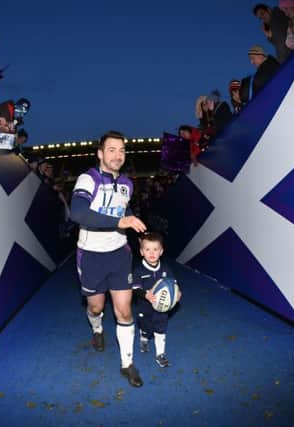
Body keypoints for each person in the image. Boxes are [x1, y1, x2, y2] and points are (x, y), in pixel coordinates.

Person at [70, 130, 148, 387]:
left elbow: (125, 210)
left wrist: (138, 232)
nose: (118, 155)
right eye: (112, 150)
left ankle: (128, 364)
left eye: (122, 150)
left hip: (119, 254)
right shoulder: (87, 179)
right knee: (95, 307)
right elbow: (78, 213)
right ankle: (97, 328)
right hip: (91, 255)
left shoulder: (128, 183)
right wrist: (119, 221)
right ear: (100, 154)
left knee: (124, 310)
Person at [131, 232, 181, 368]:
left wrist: (177, 294)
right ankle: (144, 336)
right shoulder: (138, 271)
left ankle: (160, 354)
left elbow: (174, 284)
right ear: (141, 252)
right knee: (146, 328)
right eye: (147, 249)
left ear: (161, 251)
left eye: (155, 249)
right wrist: (145, 294)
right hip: (145, 307)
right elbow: (134, 288)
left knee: (161, 329)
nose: (151, 253)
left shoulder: (165, 269)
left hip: (162, 307)